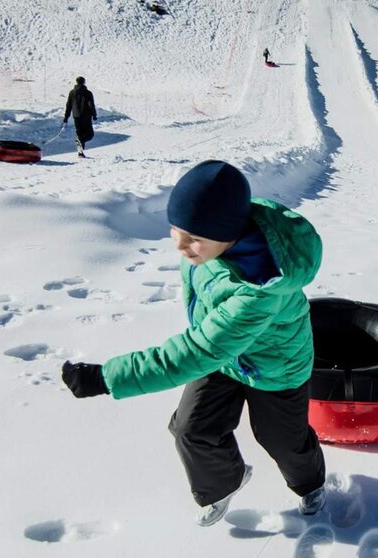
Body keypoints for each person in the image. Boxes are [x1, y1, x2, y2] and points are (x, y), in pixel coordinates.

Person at [61, 160, 326, 527]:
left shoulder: (257, 291)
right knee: (191, 428)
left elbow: (194, 353)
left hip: (274, 367)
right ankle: (224, 482)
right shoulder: (208, 246)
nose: (181, 245)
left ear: (230, 232)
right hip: (224, 358)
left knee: (282, 441)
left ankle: (310, 484)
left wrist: (106, 377)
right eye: (176, 229)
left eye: (194, 237)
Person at [63, 76, 97, 158]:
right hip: (86, 116)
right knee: (89, 135)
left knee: (80, 134)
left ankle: (80, 153)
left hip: (76, 116)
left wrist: (66, 117)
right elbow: (91, 105)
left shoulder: (72, 92)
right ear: (84, 82)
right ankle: (81, 144)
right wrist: (94, 115)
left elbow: (69, 106)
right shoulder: (88, 93)